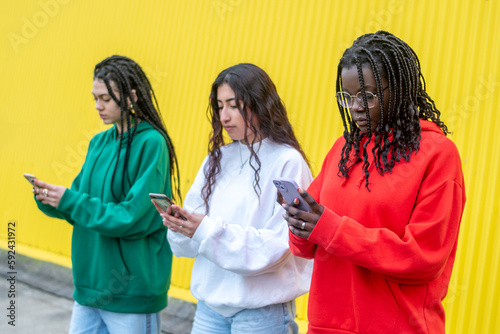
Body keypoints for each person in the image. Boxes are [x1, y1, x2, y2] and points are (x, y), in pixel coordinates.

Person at [282, 31, 466, 333]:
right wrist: (298, 219)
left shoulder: (438, 155)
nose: (355, 107)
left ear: (399, 90)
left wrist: (329, 227)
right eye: (347, 96)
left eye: (367, 95)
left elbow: (423, 258)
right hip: (326, 326)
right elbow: (306, 247)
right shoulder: (343, 148)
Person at [157, 63, 313, 334]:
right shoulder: (217, 159)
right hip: (209, 310)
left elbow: (278, 246)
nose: (224, 116)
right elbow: (188, 246)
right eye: (219, 106)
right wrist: (181, 225)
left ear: (260, 103)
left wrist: (203, 229)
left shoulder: (288, 161)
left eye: (233, 105)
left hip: (262, 315)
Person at [31, 55, 181, 334]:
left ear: (132, 96)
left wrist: (70, 200)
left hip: (132, 295)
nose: (98, 106)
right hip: (89, 289)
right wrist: (51, 199)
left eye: (106, 99)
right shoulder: (98, 143)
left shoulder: (152, 143)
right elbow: (79, 204)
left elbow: (132, 217)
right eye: (94, 98)